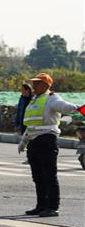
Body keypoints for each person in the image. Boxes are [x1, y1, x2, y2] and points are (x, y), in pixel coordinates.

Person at [19, 72, 83, 217]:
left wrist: (80, 109)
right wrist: (24, 141)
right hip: (34, 142)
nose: (34, 86)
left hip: (47, 141)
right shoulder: (35, 100)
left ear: (46, 85)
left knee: (49, 176)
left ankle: (52, 207)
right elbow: (31, 125)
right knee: (38, 176)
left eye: (37, 83)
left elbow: (66, 107)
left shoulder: (51, 99)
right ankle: (41, 205)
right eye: (34, 83)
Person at [16, 83, 34, 165]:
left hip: (31, 123)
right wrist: (17, 123)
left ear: (28, 90)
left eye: (23, 90)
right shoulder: (21, 99)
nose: (21, 92)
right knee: (26, 141)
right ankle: (29, 158)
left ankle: (31, 158)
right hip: (23, 123)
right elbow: (19, 111)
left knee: (31, 142)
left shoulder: (33, 99)